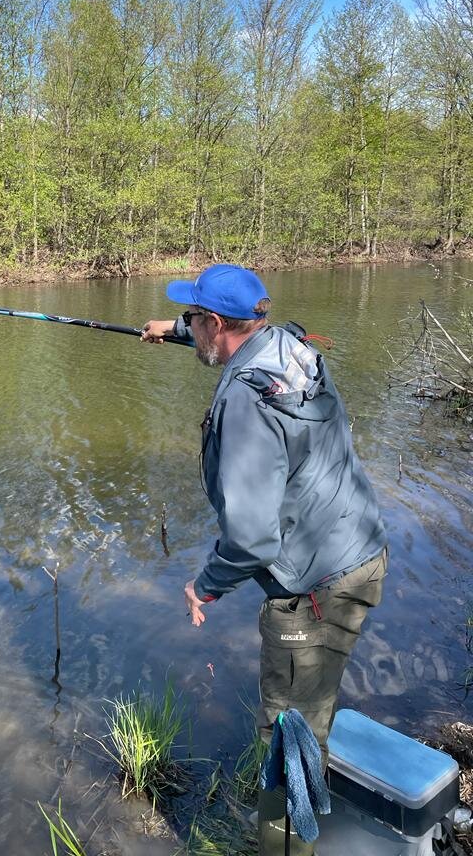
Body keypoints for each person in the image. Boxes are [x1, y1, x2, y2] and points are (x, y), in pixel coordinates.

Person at [142, 263, 387, 856]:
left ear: (218, 323)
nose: (192, 324)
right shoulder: (290, 345)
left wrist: (206, 584)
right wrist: (176, 330)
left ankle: (285, 849)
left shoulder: (245, 408)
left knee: (289, 737)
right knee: (312, 712)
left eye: (196, 317)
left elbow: (251, 540)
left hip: (314, 589)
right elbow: (236, 338)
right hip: (359, 551)